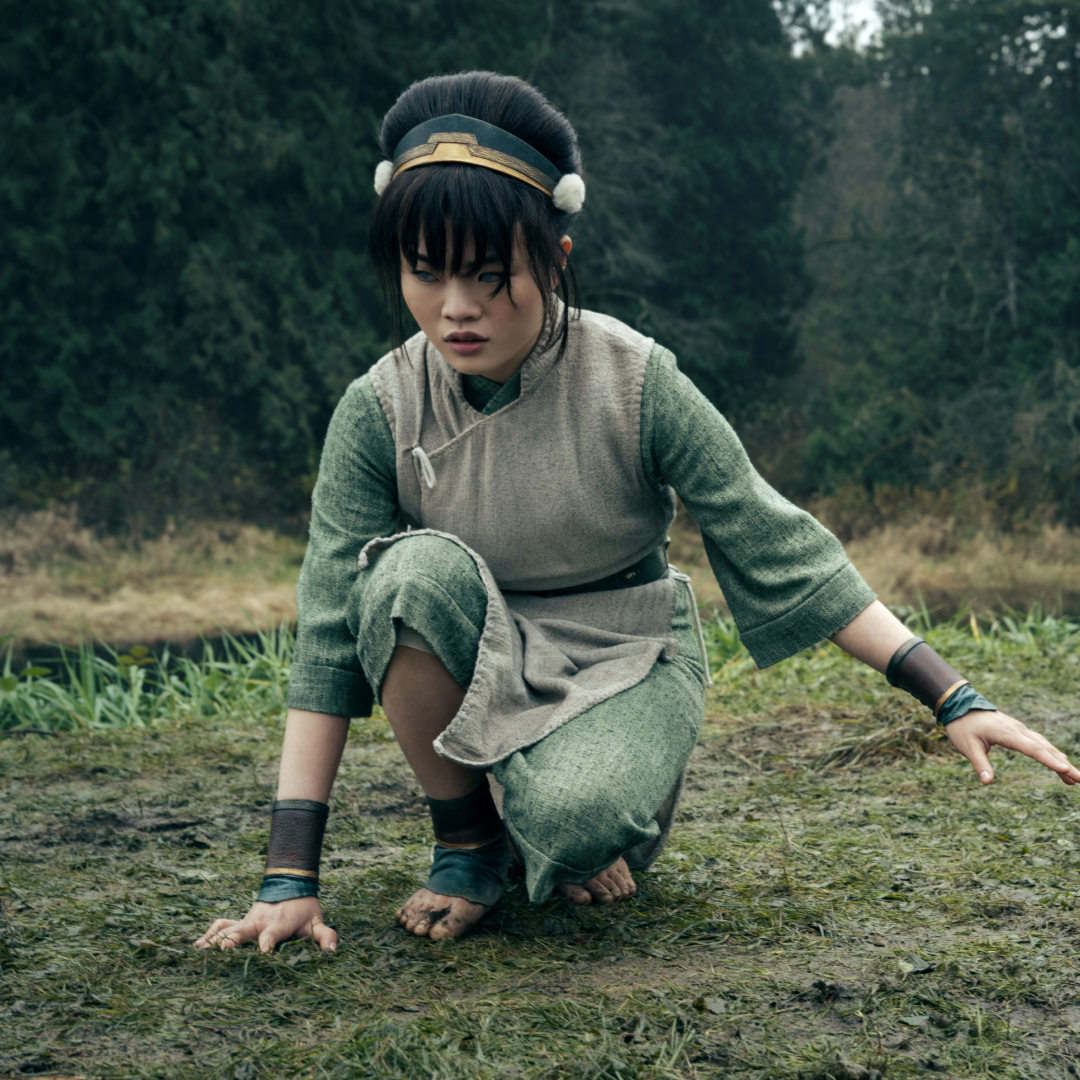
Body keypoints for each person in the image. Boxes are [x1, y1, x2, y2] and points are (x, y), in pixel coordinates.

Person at [196, 71, 1078, 954]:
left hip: (628, 649)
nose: (455, 308)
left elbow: (777, 542)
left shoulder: (637, 379)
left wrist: (951, 695)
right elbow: (327, 635)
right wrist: (287, 879)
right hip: (476, 640)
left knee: (580, 826)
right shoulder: (379, 407)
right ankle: (468, 841)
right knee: (399, 576)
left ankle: (580, 814)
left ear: (554, 260)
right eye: (425, 273)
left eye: (488, 274)